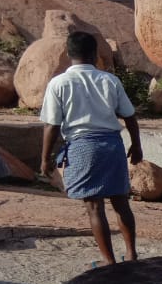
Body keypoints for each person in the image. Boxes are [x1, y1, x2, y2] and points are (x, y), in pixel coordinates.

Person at [39, 31, 143, 267]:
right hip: (112, 145)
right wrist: (136, 145)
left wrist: (45, 158)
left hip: (83, 146)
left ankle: (108, 261)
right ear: (96, 55)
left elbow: (52, 125)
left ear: (68, 53)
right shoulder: (109, 80)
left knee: (94, 206)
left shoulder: (58, 83)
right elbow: (130, 116)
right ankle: (132, 254)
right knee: (120, 201)